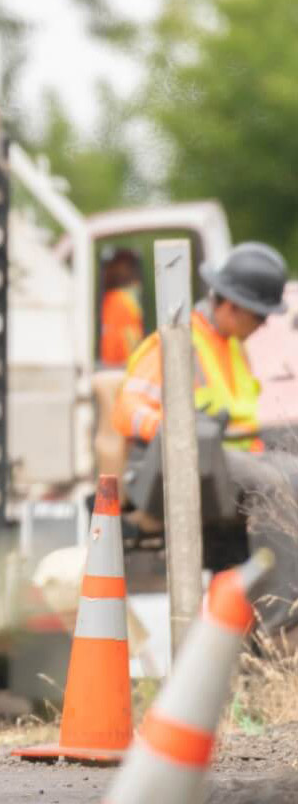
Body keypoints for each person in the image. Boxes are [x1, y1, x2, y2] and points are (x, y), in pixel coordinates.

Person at [113, 241, 298, 634]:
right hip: (170, 466)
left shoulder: (231, 348)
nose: (264, 325)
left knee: (291, 463)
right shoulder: (174, 342)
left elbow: (239, 422)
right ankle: (281, 627)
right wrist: (179, 431)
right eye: (260, 316)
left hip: (223, 464)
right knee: (274, 484)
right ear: (231, 305)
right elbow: (126, 410)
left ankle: (276, 601)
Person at [99, 247, 144, 366]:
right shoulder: (125, 303)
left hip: (110, 368)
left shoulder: (109, 301)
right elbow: (133, 343)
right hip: (120, 369)